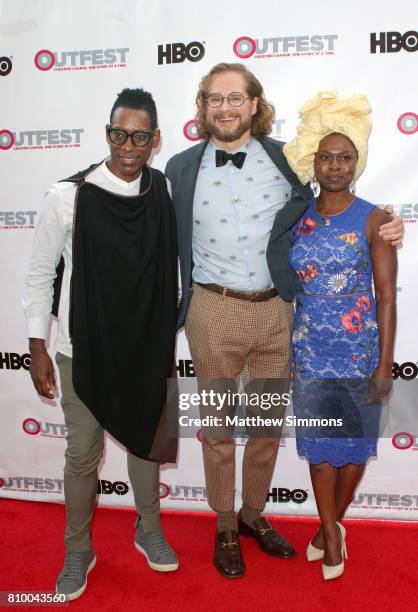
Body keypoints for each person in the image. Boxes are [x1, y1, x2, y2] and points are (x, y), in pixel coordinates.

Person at [165, 63, 403, 578]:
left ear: (254, 104)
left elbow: (334, 201)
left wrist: (390, 218)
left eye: (235, 98)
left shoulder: (286, 162)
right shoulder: (179, 169)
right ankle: (226, 523)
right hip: (211, 308)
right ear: (203, 107)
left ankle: (254, 515)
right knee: (218, 429)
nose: (224, 108)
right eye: (213, 99)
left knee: (267, 428)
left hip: (278, 312)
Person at [23, 88, 179, 601]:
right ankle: (78, 548)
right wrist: (38, 346)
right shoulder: (68, 195)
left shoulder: (163, 190)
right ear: (107, 133)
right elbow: (40, 274)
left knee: (146, 445)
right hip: (80, 348)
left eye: (139, 135)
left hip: (145, 348)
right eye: (119, 133)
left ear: (154, 140)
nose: (127, 145)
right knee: (81, 456)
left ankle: (148, 528)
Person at [283, 90, 397, 580]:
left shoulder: (375, 218)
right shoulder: (297, 218)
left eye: (344, 157)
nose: (335, 166)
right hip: (309, 353)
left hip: (358, 355)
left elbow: (387, 296)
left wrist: (384, 363)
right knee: (320, 448)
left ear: (357, 163)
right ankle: (331, 535)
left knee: (352, 452)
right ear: (315, 162)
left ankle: (329, 524)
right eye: (326, 157)